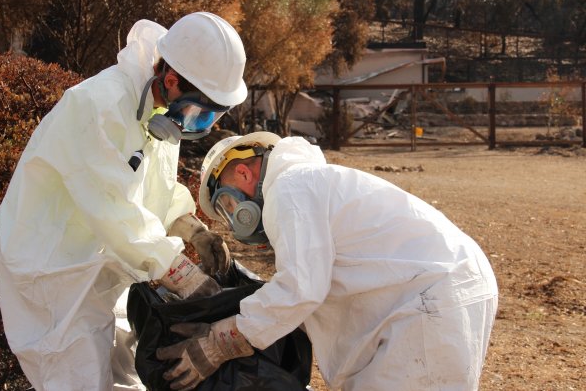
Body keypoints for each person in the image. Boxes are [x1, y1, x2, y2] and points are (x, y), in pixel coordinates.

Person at [0, 12, 247, 390]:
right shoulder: (98, 105)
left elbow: (154, 193)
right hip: (53, 271)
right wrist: (181, 273)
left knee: (128, 377)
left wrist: (192, 230)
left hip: (105, 265)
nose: (202, 126)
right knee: (78, 380)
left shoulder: (158, 111)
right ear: (172, 80)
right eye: (202, 112)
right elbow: (113, 208)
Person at [156, 132, 499, 391]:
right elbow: (307, 294)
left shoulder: (288, 191)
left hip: (431, 297)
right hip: (438, 289)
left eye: (228, 206)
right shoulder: (306, 185)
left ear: (244, 174)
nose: (235, 220)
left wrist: (222, 341)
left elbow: (301, 289)